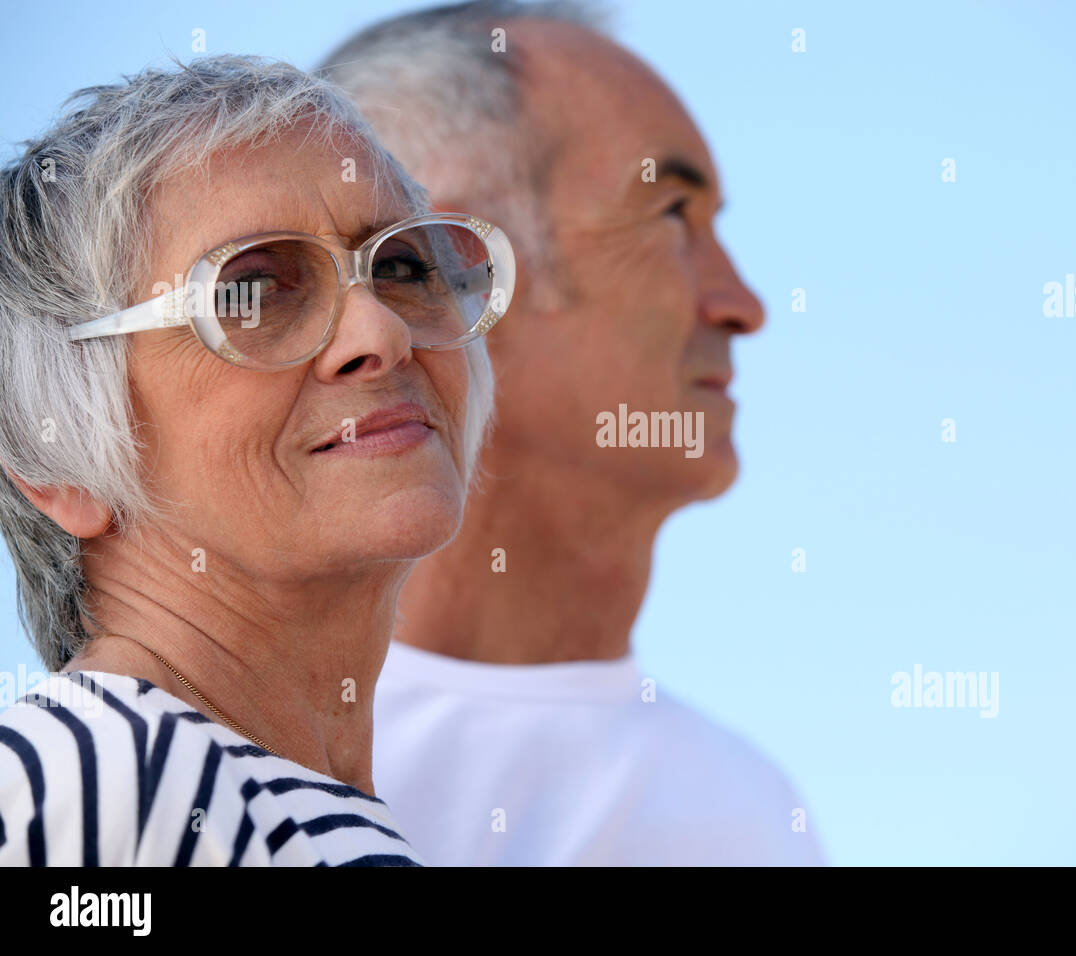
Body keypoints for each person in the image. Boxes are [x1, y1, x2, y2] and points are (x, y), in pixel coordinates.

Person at [323, 2, 824, 865]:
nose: (742, 304)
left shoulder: (752, 814)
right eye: (671, 216)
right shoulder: (184, 787)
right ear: (447, 272)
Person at [0, 55, 515, 865]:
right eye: (255, 292)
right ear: (55, 453)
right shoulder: (99, 788)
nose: (380, 334)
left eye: (403, 267)